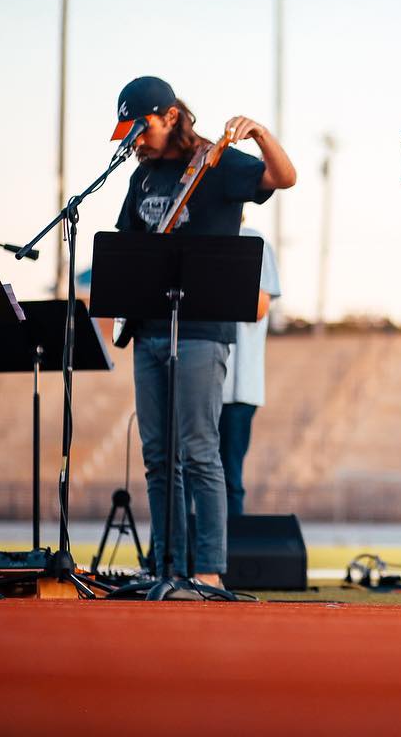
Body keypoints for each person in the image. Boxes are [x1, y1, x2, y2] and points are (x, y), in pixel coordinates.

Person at [112, 76, 296, 589]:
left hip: (201, 331)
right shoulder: (141, 178)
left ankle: (209, 571)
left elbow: (285, 178)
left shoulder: (217, 163)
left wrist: (260, 134)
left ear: (170, 116)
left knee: (199, 452)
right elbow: (127, 249)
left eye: (143, 128)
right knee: (157, 458)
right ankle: (166, 567)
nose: (136, 140)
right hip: (149, 331)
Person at [218, 218, 280, 519]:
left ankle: (229, 546)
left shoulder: (255, 241)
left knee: (230, 477)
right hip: (199, 382)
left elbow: (259, 307)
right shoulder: (198, 234)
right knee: (185, 476)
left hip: (238, 389)